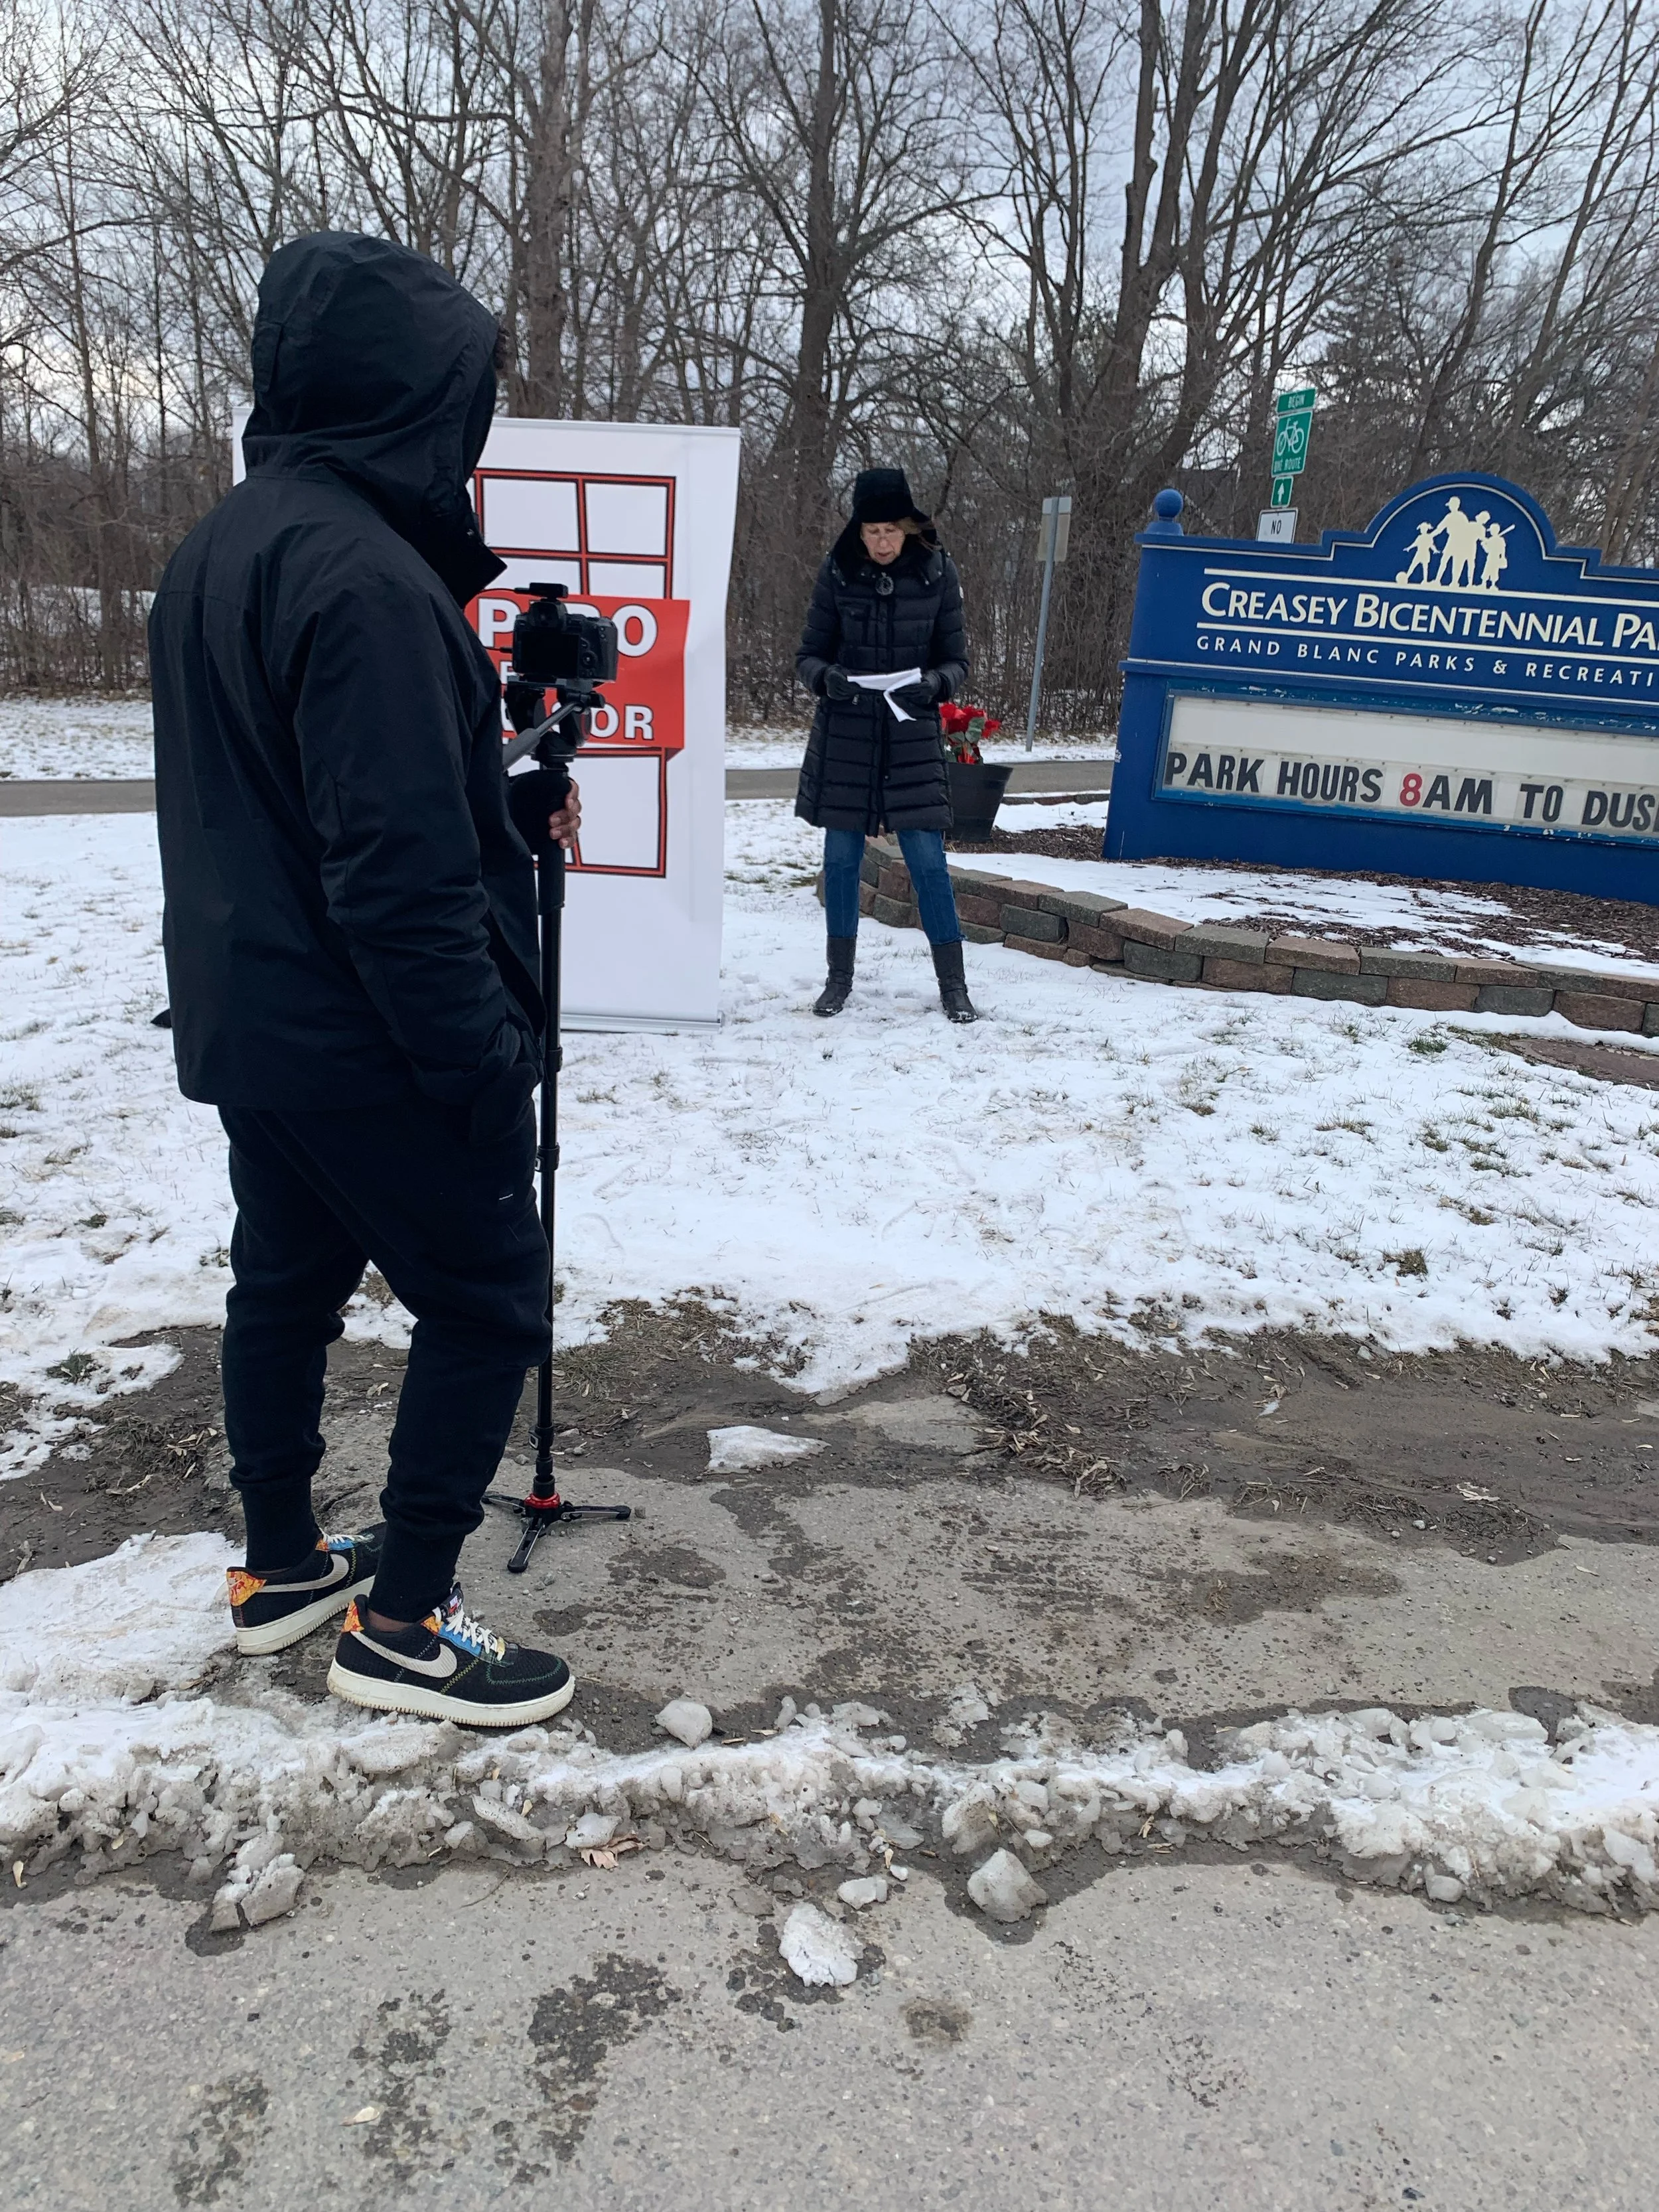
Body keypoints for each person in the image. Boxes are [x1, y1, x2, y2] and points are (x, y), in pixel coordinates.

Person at [149, 232, 581, 1729]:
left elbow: (304, 801)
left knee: (285, 1281)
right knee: (488, 1298)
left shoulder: (227, 544)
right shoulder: (367, 580)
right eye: (463, 402)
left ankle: (278, 1564)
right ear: (412, 397)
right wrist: (474, 1059)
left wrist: (505, 809)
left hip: (255, 1021)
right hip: (369, 1034)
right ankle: (403, 1618)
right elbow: (389, 875)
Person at [794, 467, 977, 1023]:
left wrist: (937, 685)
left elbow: (957, 661)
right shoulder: (838, 570)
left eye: (890, 532)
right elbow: (808, 655)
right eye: (872, 531)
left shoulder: (937, 573)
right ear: (859, 529)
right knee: (842, 858)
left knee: (928, 860)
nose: (881, 543)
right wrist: (826, 678)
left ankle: (954, 986)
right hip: (847, 731)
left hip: (911, 730)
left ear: (909, 528)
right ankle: (838, 979)